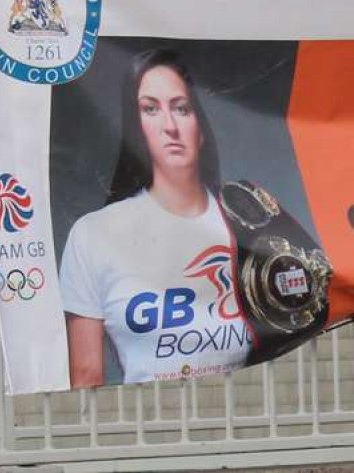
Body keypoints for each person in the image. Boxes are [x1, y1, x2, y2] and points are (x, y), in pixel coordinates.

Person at [59, 49, 251, 387]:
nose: (170, 126)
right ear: (136, 128)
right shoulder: (93, 234)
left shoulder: (248, 218)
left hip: (245, 427)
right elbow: (86, 375)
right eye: (151, 109)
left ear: (200, 127)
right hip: (149, 430)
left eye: (181, 108)